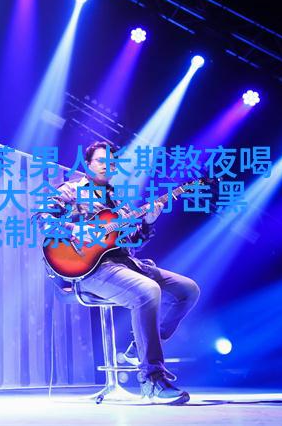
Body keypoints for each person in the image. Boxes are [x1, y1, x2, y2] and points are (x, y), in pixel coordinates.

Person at [40, 141, 200, 404]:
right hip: (91, 270)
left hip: (125, 264)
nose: (106, 165)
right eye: (100, 161)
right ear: (88, 164)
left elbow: (132, 242)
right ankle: (152, 380)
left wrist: (147, 224)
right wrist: (74, 229)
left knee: (188, 290)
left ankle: (139, 346)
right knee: (148, 291)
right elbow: (42, 219)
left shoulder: (119, 204)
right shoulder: (71, 190)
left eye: (111, 162)